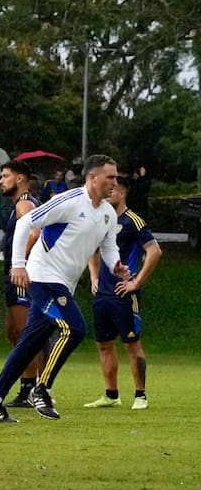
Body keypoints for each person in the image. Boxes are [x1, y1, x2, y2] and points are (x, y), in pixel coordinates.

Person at [0, 155, 128, 424]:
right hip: (42, 277)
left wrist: (115, 264)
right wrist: (18, 265)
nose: (115, 182)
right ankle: (42, 389)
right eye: (111, 177)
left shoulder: (107, 213)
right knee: (75, 328)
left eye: (116, 177)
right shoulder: (70, 201)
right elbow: (27, 223)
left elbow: (107, 245)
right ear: (92, 178)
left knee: (29, 344)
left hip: (63, 283)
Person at [82, 174, 162, 410]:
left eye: (113, 189)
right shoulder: (101, 219)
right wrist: (94, 277)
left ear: (123, 193)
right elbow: (92, 251)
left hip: (125, 294)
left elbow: (154, 251)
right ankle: (111, 394)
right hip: (103, 295)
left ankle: (140, 395)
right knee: (103, 344)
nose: (109, 191)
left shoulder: (133, 221)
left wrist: (135, 282)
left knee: (131, 344)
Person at [0, 160, 41, 407]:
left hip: (20, 276)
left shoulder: (24, 203)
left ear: (20, 179)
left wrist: (20, 262)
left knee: (26, 335)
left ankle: (31, 390)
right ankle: (33, 386)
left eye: (5, 176)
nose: (1, 181)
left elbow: (35, 232)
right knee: (13, 333)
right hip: (13, 276)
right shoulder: (17, 205)